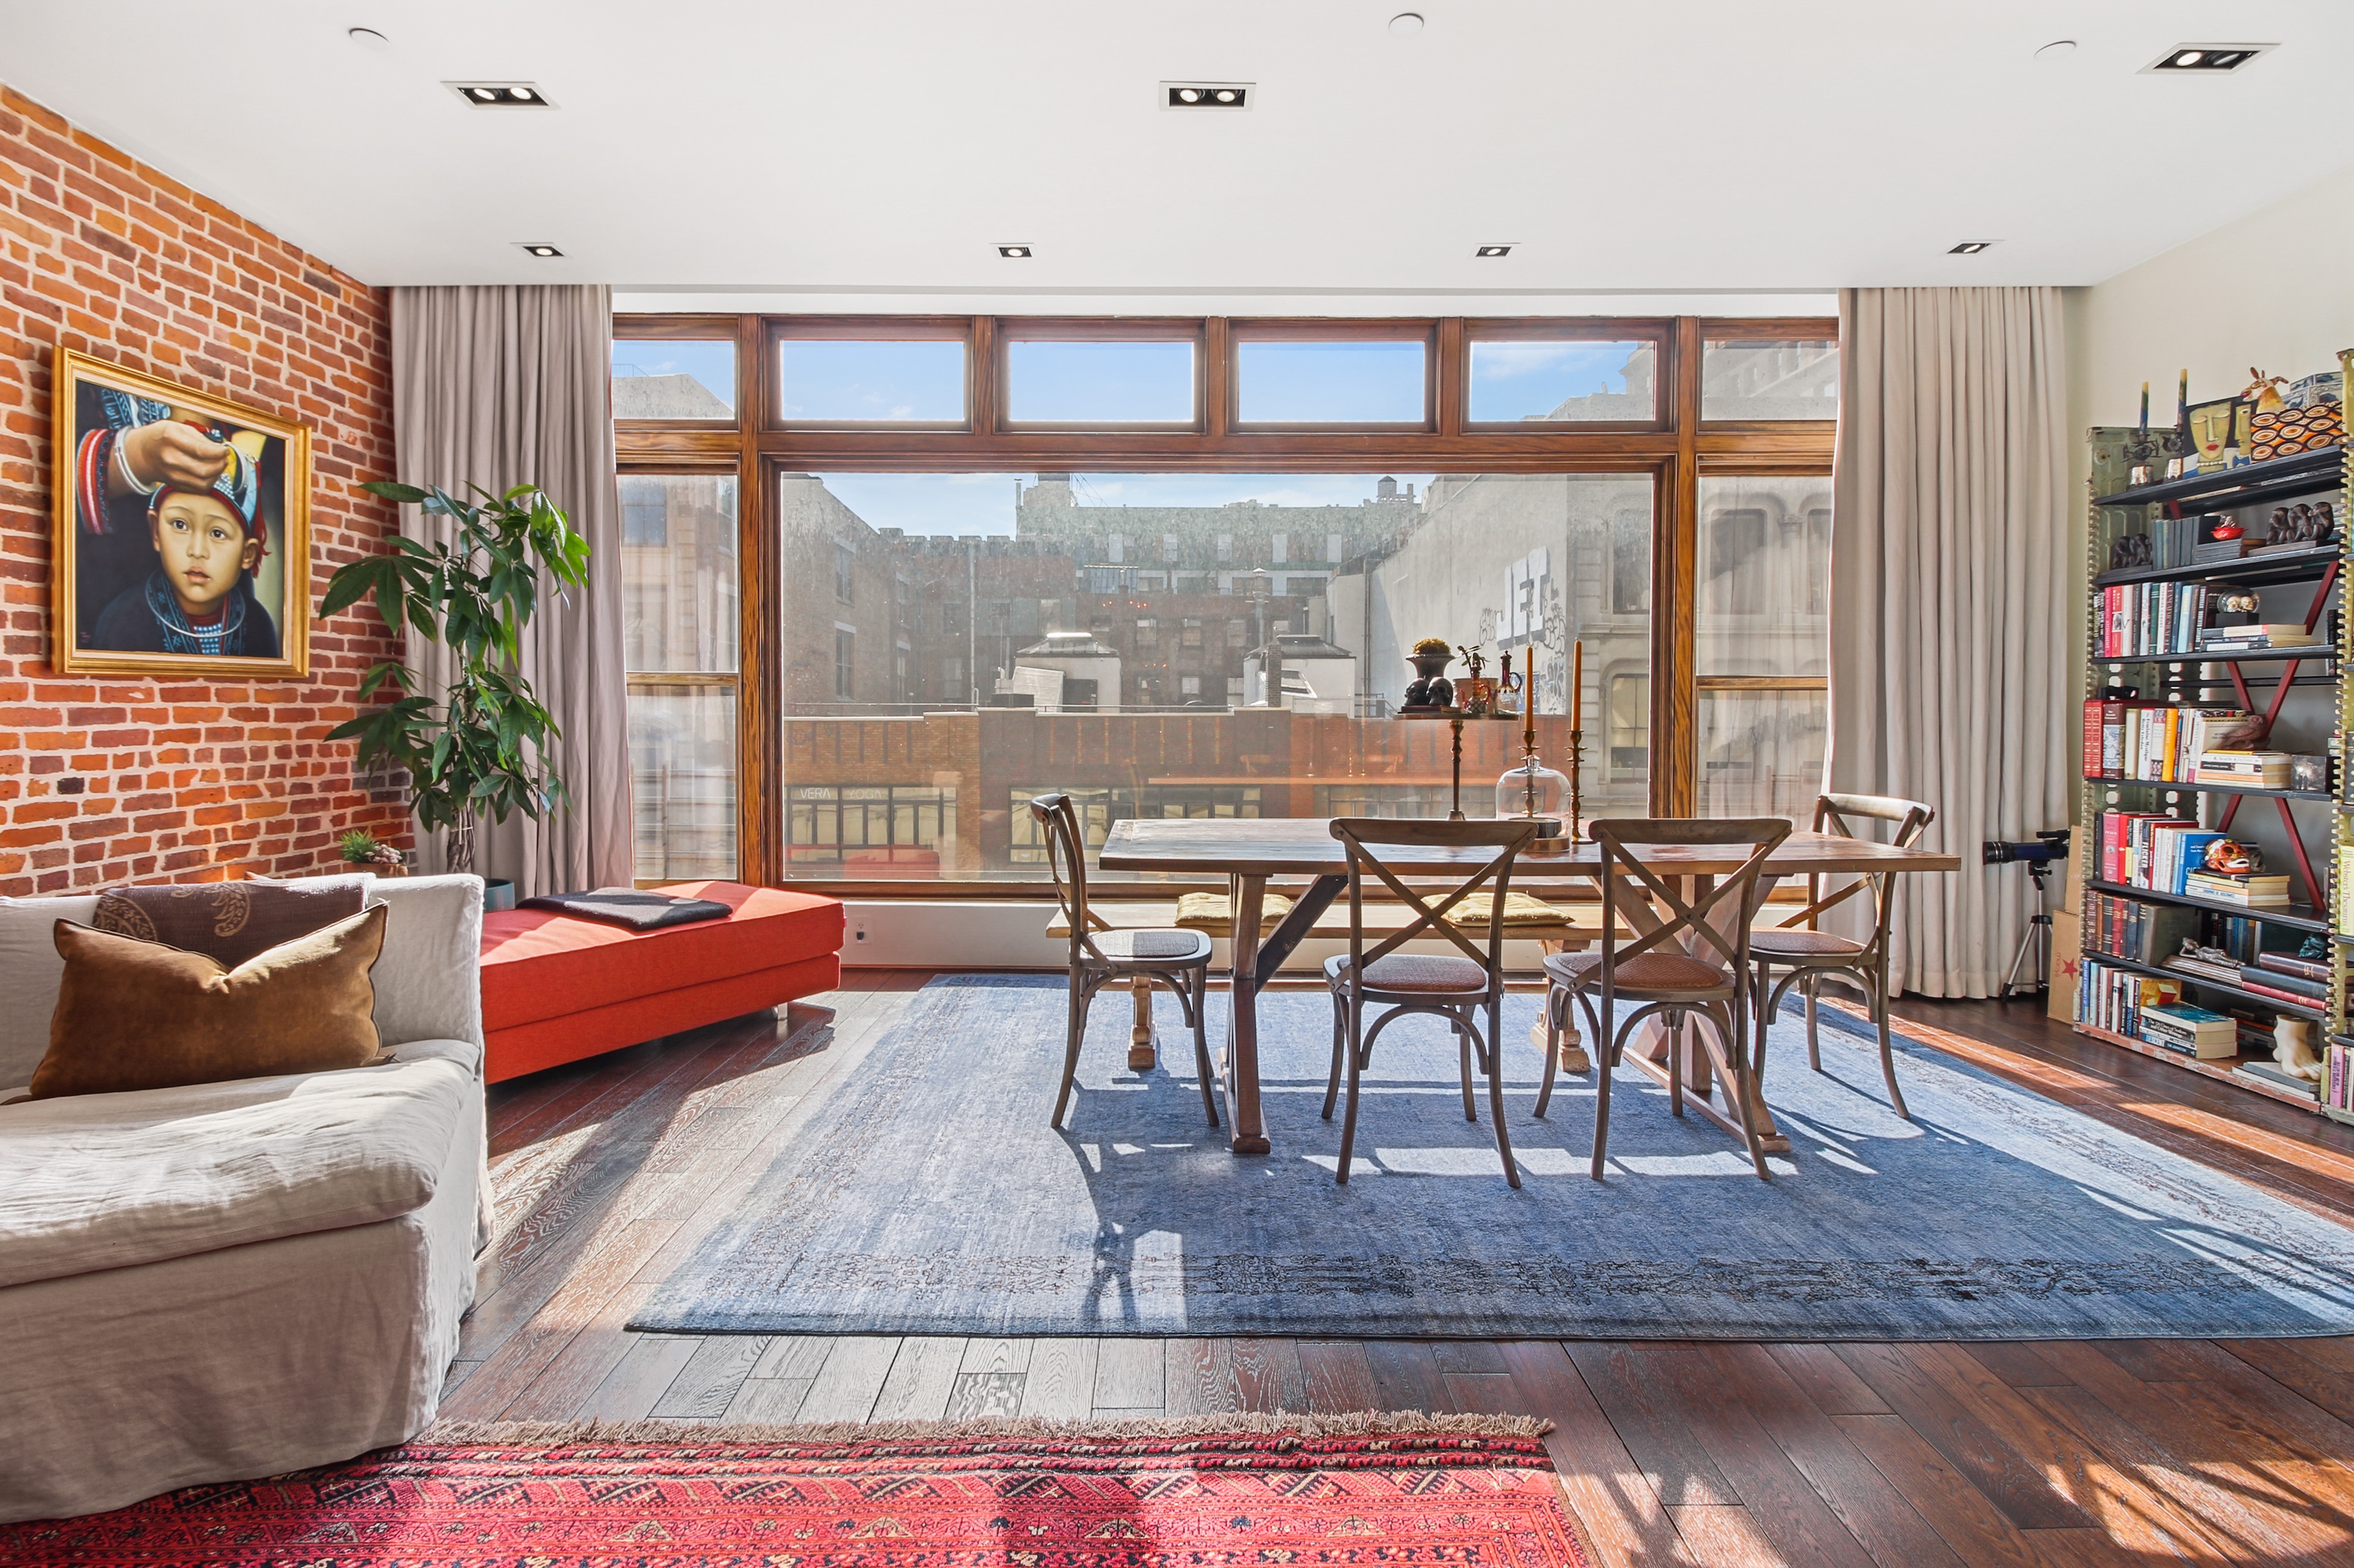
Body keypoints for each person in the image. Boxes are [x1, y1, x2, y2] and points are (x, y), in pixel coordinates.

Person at [86, 431, 280, 658]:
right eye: (180, 525)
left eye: (217, 533)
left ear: (247, 553)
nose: (196, 551)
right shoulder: (124, 620)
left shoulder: (256, 622)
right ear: (156, 532)